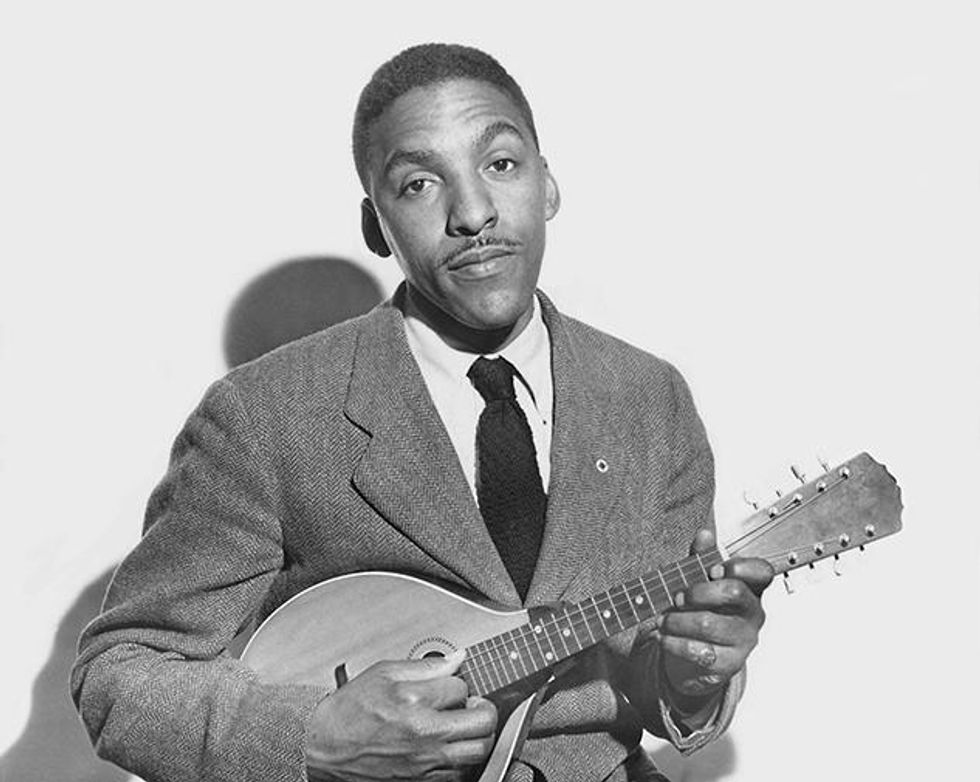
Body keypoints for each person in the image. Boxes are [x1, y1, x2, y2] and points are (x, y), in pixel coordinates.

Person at [71, 43, 773, 782]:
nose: (472, 213)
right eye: (418, 183)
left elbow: (647, 675)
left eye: (500, 165)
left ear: (549, 186)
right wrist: (309, 738)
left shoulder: (649, 399)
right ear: (377, 225)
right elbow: (120, 672)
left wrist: (691, 678)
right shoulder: (264, 414)